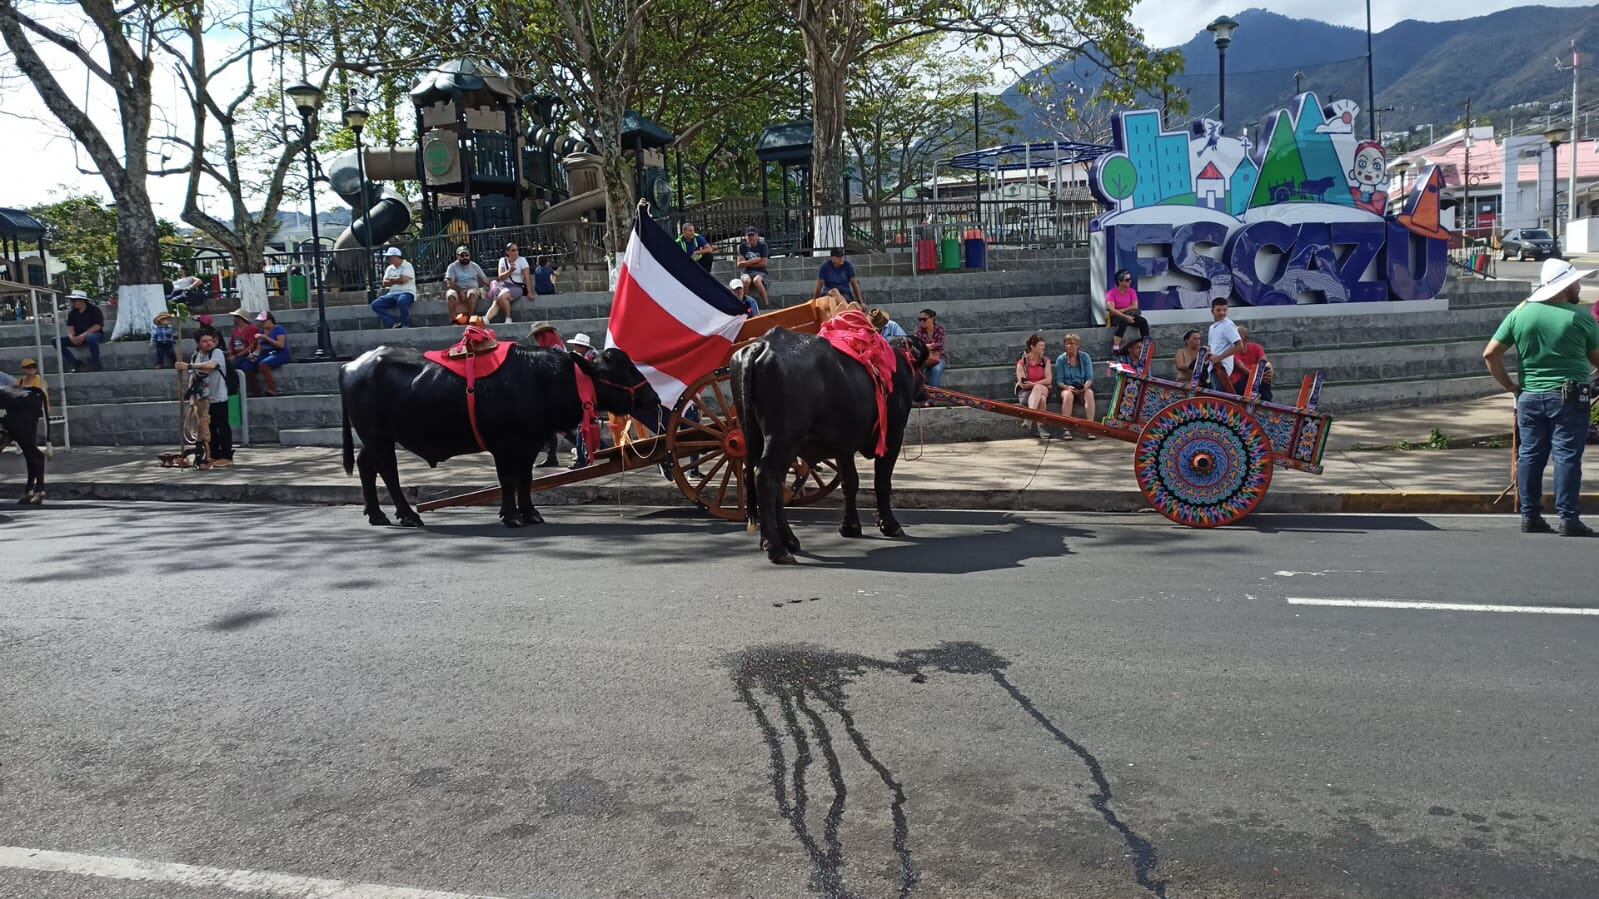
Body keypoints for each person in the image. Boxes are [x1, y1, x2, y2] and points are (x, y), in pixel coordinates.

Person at [1482, 258, 1599, 536]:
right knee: (1567, 457)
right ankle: (1568, 518)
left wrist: (1511, 386)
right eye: (1576, 282)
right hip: (1569, 398)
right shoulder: (1579, 317)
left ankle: (1529, 515)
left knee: (1531, 456)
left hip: (1530, 396)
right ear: (1565, 286)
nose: (1579, 286)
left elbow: (1490, 354)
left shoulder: (1520, 314)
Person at [176, 330, 233, 469]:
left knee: (222, 426)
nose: (209, 343)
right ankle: (213, 454)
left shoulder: (217, 353)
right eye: (205, 341)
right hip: (203, 399)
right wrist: (191, 397)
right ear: (198, 343)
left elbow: (211, 366)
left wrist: (189, 366)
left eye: (210, 340)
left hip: (218, 396)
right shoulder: (196, 356)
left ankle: (227, 456)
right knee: (208, 429)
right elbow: (193, 377)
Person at [529, 321, 569, 467]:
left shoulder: (554, 349)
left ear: (543, 335)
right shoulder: (554, 346)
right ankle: (551, 456)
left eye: (536, 337)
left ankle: (598, 447)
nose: (535, 340)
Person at [1053, 333, 1096, 440]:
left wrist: (1085, 387)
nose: (1069, 346)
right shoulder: (1061, 359)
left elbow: (1090, 378)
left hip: (1082, 386)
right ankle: (1066, 429)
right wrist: (1067, 387)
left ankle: (1090, 427)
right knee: (1068, 395)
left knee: (1089, 393)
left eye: (1072, 344)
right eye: (1067, 344)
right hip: (1065, 387)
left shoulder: (1085, 357)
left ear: (1077, 345)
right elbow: (1059, 381)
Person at [237, 310, 289, 396]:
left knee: (263, 364)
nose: (261, 323)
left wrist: (266, 338)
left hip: (279, 354)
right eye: (260, 321)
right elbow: (259, 348)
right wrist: (254, 355)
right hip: (265, 354)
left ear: (270, 320)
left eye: (263, 321)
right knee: (246, 366)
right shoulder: (261, 332)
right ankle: (256, 390)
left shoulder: (279, 329)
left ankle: (272, 389)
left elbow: (281, 345)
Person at [1105, 269, 1149, 360]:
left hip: (1130, 315)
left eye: (1130, 279)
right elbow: (1111, 309)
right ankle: (1116, 348)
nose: (1130, 281)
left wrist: (1122, 310)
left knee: (1143, 321)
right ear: (1119, 281)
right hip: (1117, 317)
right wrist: (1124, 315)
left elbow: (1135, 305)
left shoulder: (1131, 291)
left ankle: (1146, 346)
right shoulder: (1111, 293)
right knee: (1123, 321)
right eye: (1127, 280)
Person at [1015, 335, 1052, 438]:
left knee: (1038, 388)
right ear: (1032, 347)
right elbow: (1023, 384)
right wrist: (1036, 384)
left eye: (1044, 345)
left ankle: (1029, 417)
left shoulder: (1045, 361)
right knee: (1042, 400)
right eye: (1041, 345)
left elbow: (1049, 380)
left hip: (1044, 389)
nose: (1043, 348)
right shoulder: (1022, 363)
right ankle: (1041, 428)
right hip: (1026, 393)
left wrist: (1034, 384)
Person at [59, 290, 104, 372]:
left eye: (74, 300)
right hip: (78, 337)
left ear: (82, 300)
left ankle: (95, 363)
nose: (72, 302)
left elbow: (98, 326)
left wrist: (83, 336)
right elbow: (70, 327)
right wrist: (72, 337)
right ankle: (75, 363)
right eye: (72, 300)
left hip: (94, 335)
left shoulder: (95, 310)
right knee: (57, 341)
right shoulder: (72, 313)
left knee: (91, 338)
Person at [372, 247, 416, 328]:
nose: (388, 259)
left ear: (396, 257)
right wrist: (397, 280)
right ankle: (393, 323)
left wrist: (391, 280)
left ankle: (405, 324)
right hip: (392, 294)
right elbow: (385, 283)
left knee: (401, 301)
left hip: (407, 293)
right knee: (375, 304)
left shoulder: (407, 265)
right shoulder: (389, 268)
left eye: (389, 257)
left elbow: (404, 280)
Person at [444, 247, 490, 325]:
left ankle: (471, 319)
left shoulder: (474, 266)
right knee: (450, 294)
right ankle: (453, 320)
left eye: (466, 255)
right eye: (462, 256)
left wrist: (495, 287)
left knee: (471, 293)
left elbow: (485, 280)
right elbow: (449, 283)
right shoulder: (452, 266)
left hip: (472, 289)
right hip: (457, 290)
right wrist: (460, 290)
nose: (465, 257)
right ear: (457, 256)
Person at [1206, 298, 1243, 395]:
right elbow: (1212, 347)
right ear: (1212, 311)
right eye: (1218, 310)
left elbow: (1239, 345)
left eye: (1224, 310)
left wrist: (1219, 358)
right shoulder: (1212, 327)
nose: (1222, 313)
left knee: (1219, 400)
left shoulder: (1228, 325)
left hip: (1222, 369)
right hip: (1213, 367)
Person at [487, 242, 529, 324]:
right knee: (496, 301)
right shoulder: (503, 260)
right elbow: (500, 277)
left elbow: (527, 277)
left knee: (502, 296)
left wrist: (530, 292)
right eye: (513, 250)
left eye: (517, 250)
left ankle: (508, 318)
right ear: (507, 252)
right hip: (504, 286)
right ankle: (485, 319)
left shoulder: (522, 260)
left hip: (517, 287)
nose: (516, 252)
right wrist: (510, 271)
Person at [1233, 325, 1274, 401]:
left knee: (1266, 370)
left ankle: (1267, 404)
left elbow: (1263, 362)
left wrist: (1268, 369)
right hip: (1240, 381)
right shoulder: (1233, 351)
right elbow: (1242, 368)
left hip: (1258, 379)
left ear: (1245, 339)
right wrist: (1259, 377)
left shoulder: (1256, 347)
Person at [226, 310, 261, 394]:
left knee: (238, 366)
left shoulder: (252, 329)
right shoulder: (235, 330)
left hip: (247, 355)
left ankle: (254, 390)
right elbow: (231, 345)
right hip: (236, 355)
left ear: (241, 318)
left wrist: (236, 356)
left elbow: (252, 346)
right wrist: (231, 354)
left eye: (236, 317)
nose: (234, 319)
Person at [736, 228, 770, 304]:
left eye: (752, 235)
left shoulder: (763, 245)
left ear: (757, 236)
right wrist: (754, 261)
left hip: (761, 272)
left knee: (756, 281)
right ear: (745, 237)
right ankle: (745, 304)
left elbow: (764, 263)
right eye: (748, 235)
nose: (750, 237)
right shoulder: (742, 247)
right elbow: (739, 264)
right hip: (747, 272)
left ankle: (766, 304)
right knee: (746, 280)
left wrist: (746, 263)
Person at [917, 308, 947, 388]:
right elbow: (918, 344)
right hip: (924, 358)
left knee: (936, 369)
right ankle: (921, 395)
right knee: (920, 370)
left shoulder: (939, 329)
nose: (921, 322)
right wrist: (929, 346)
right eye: (919, 319)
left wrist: (926, 346)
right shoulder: (919, 330)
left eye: (924, 319)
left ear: (932, 318)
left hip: (939, 358)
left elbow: (940, 344)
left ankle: (933, 397)